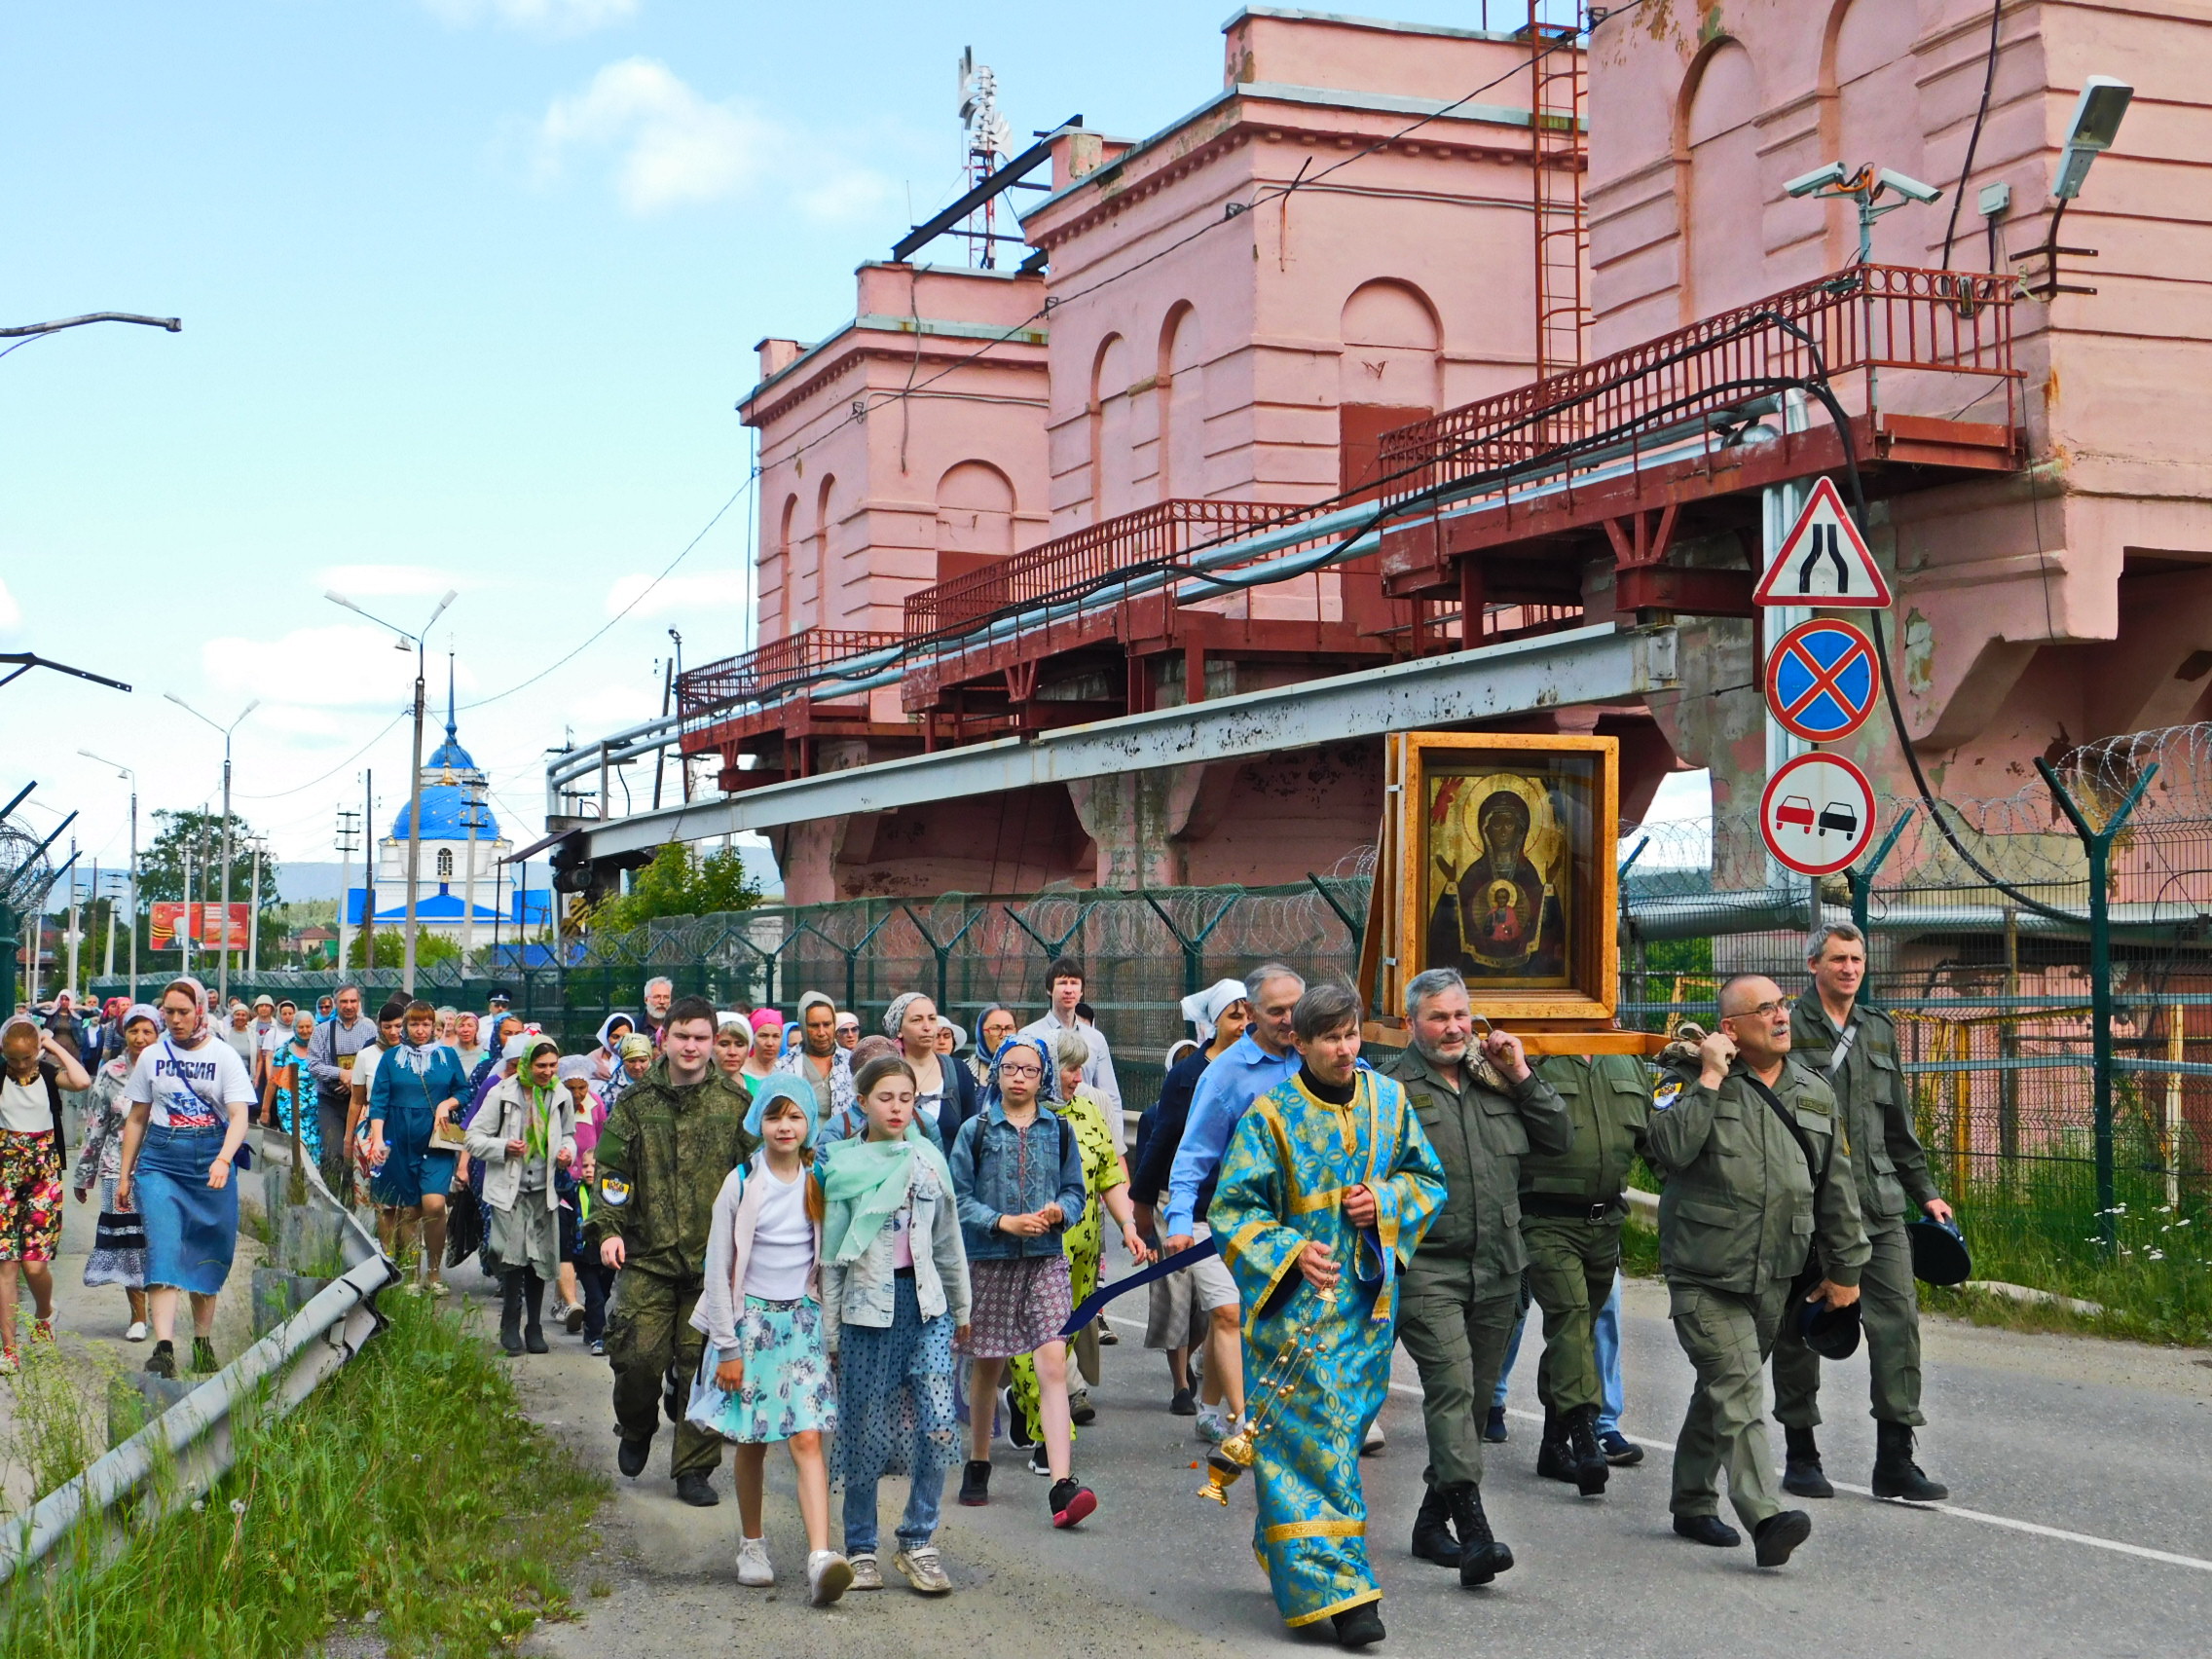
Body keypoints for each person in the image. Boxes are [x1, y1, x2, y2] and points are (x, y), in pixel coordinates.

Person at [1207, 982, 1446, 1649]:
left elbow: (1427, 1179)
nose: (1346, 1049)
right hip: (1292, 1324)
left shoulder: (1387, 1102)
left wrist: (1387, 1201)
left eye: (1352, 1034)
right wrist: (1290, 1251)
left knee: (1330, 1446)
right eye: (1330, 1038)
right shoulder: (1272, 1115)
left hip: (1365, 1319)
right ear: (1301, 1044)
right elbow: (1233, 1210)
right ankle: (1345, 1596)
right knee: (1320, 1455)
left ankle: (1286, 1547)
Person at [1648, 974, 1868, 1567]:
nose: (1780, 1016)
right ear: (1731, 1028)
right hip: (1704, 1274)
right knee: (1741, 1387)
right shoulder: (1685, 1079)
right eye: (1764, 1008)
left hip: (1776, 1278)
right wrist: (1714, 1077)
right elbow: (1667, 1151)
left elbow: (1834, 1190)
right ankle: (1765, 1516)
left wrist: (1846, 1271)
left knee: (1721, 1388)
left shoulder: (1814, 1092)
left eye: (1781, 1005)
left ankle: (1692, 1500)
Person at [1380, 967, 1570, 1585]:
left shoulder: (1496, 1078)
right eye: (1439, 1017)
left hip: (1499, 1268)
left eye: (1461, 1014)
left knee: (1474, 1397)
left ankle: (1431, 1523)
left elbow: (1557, 1138)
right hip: (1428, 1267)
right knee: (1453, 1391)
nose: (1454, 1027)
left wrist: (1520, 1073)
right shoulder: (1389, 1091)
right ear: (1412, 1024)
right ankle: (1475, 1529)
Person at [1775, 922, 1952, 1502]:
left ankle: (1895, 1460)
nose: (1849, 969)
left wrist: (1925, 1189)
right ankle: (1802, 1454)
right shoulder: (1784, 1026)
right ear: (1813, 965)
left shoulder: (1878, 1029)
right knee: (1803, 1328)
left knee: (1898, 1325)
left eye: (1857, 959)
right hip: (1807, 1205)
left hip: (1878, 1204)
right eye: (1837, 959)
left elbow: (1896, 1124)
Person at [589, 995, 759, 1505]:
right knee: (638, 1357)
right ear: (665, 1038)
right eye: (682, 1036)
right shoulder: (637, 1103)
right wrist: (609, 1228)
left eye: (701, 1038)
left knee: (700, 1363)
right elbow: (613, 1174)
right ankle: (636, 1425)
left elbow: (758, 1177)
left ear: (714, 1043)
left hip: (711, 1263)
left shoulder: (735, 1106)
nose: (691, 1046)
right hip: (648, 1256)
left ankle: (693, 1469)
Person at [692, 1072, 850, 1605]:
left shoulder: (819, 1177)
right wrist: (727, 1347)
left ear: (810, 1125)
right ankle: (752, 1545)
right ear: (758, 1122)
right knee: (754, 1440)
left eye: (796, 1116)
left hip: (801, 1324)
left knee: (807, 1437)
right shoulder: (740, 1181)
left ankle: (819, 1557)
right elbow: (718, 1269)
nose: (785, 1126)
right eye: (775, 1116)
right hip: (750, 1324)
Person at [820, 1055, 972, 1596]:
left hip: (926, 1307)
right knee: (864, 1430)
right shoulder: (843, 1166)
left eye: (905, 1098)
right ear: (862, 1103)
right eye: (885, 1098)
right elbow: (832, 1257)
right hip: (866, 1314)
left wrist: (962, 1310)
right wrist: (832, 1334)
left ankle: (918, 1541)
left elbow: (949, 1242)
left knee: (937, 1425)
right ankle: (860, 1548)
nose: (896, 1108)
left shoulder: (930, 1160)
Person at [949, 1034, 1093, 1525]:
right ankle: (979, 1461)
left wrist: (1060, 1211)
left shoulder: (1059, 1129)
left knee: (1052, 1361)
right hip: (989, 1257)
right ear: (995, 1073)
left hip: (1045, 1259)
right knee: (989, 1362)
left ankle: (1061, 1485)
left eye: (1029, 1071)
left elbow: (1076, 1190)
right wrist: (1002, 1222)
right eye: (1009, 1068)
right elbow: (958, 1197)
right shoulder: (976, 1130)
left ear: (1042, 1078)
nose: (1018, 1078)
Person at [1515, 1033, 1656, 1493]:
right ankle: (1584, 1433)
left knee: (1574, 1331)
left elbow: (1651, 1140)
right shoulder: (1533, 1050)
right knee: (1571, 1318)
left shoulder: (1625, 1058)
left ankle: (1552, 1446)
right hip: (1544, 1216)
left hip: (1605, 1222)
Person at [1003, 1030, 1146, 1452]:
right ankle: (1051, 1439)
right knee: (1036, 1341)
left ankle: (1030, 1407)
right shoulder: (1018, 1116)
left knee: (1061, 1338)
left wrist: (1129, 1226)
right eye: (1069, 1068)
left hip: (1083, 1250)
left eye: (1081, 1067)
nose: (1077, 1077)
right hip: (1033, 1252)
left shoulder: (1088, 1111)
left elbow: (1109, 1176)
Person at [116, 977, 257, 1379]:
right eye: (169, 1012)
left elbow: (239, 1115)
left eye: (183, 1012)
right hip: (161, 1160)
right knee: (163, 1248)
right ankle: (164, 1348)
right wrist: (126, 1175)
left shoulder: (223, 1055)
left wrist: (224, 1159)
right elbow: (138, 1117)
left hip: (211, 1158)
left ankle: (202, 1340)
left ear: (200, 1011)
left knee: (207, 1249)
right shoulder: (151, 1057)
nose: (175, 1020)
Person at [1132, 978, 1252, 1433]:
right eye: (1233, 1016)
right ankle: (1225, 1414)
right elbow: (1163, 1138)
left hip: (1250, 1211)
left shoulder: (1267, 1067)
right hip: (1197, 1209)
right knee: (1216, 1308)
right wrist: (1143, 1204)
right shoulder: (1188, 1074)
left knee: (1231, 1315)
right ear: (1213, 1023)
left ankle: (1209, 1402)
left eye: (1247, 1014)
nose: (1243, 1024)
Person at [466, 1034, 577, 1354]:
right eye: (540, 1065)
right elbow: (473, 1137)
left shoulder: (560, 1094)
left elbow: (569, 1134)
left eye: (553, 1065)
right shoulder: (502, 1092)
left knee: (540, 1260)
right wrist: (504, 1147)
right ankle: (510, 1323)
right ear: (526, 1063)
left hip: (544, 1190)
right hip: (509, 1190)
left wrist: (567, 1152)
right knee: (511, 1256)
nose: (547, 1071)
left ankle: (534, 1327)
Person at [0, 1015, 91, 1372]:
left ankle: (44, 1313)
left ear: (36, 1051)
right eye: (13, 1058)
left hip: (42, 1177)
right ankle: (8, 1350)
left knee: (34, 1265)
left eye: (27, 1057)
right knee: (6, 1265)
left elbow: (82, 1080)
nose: (21, 1065)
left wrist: (51, 1046)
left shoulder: (50, 1076)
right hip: (5, 1177)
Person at [367, 999, 472, 1293]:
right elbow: (379, 1101)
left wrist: (445, 1104)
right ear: (405, 1026)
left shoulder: (447, 1056)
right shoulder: (391, 1059)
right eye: (414, 1024)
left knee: (434, 1204)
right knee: (410, 1209)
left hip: (435, 1139)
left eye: (426, 1024)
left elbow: (463, 1091)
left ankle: (435, 1272)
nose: (421, 1030)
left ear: (436, 1026)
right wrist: (377, 1139)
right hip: (399, 1139)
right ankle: (412, 1275)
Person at [75, 1003, 158, 1341]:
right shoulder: (111, 1071)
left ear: (158, 1033)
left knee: (157, 1241)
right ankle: (138, 1316)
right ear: (123, 1032)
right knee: (128, 1243)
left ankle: (162, 1308)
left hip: (160, 1167)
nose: (139, 1038)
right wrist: (84, 1175)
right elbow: (96, 1125)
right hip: (115, 1167)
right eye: (133, 1030)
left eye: (147, 1031)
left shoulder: (170, 1068)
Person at [1018, 958, 1122, 1143]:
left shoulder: (1096, 1039)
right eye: (1062, 983)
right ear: (1049, 989)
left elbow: (1110, 1095)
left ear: (1081, 991)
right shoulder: (1029, 1036)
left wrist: (1115, 1142)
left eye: (1074, 983)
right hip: (1042, 1133)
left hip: (1089, 1133)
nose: (1068, 989)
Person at [884, 992, 978, 1147]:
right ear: (899, 1029)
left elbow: (970, 1136)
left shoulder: (957, 1070)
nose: (927, 1027)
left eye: (932, 1019)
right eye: (917, 1020)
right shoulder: (885, 1072)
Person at [306, 984, 375, 1187]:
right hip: (330, 1100)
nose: (349, 1006)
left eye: (353, 1001)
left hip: (361, 1101)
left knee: (358, 1153)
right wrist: (341, 1074)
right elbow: (313, 1066)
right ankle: (331, 1197)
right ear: (336, 1003)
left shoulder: (370, 1028)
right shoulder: (322, 1031)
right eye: (344, 1001)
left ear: (359, 1002)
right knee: (333, 1152)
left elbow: (376, 1061)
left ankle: (354, 1200)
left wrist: (354, 1082)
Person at [350, 999, 407, 1199]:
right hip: (369, 1128)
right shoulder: (366, 1055)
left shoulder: (416, 1055)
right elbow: (356, 1100)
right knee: (366, 1191)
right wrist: (348, 1138)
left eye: (399, 1026)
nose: (393, 1032)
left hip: (404, 1126)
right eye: (387, 1027)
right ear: (380, 1028)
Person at [776, 992, 854, 1130]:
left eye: (827, 1024)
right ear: (803, 1027)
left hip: (844, 1147)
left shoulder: (852, 1063)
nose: (822, 1032)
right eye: (814, 1025)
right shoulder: (784, 1068)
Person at [262, 1009, 323, 1167]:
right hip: (290, 1109)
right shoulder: (283, 1051)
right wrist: (265, 1110)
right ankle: (298, 1180)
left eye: (308, 1027)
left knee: (316, 1147)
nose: (305, 1031)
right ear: (295, 1028)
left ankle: (312, 1185)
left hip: (316, 1111)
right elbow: (272, 1082)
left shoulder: (321, 1049)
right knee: (300, 1145)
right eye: (301, 1027)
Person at [968, 1006, 1016, 1088]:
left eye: (1009, 1028)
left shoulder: (1029, 1071)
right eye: (995, 1028)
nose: (1004, 1035)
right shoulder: (961, 1072)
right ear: (980, 1033)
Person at [590, 1014, 638, 1085]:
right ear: (606, 1037)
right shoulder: (591, 1061)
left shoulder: (639, 1061)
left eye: (626, 1037)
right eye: (615, 1037)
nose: (620, 1042)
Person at [741, 1011, 783, 1088]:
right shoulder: (740, 1072)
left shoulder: (788, 1071)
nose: (770, 1043)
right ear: (752, 1037)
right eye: (763, 1036)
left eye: (775, 1036)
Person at [451, 1011, 487, 1078]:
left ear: (476, 1029)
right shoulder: (449, 1054)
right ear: (455, 1030)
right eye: (461, 1026)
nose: (465, 1030)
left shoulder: (485, 1053)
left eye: (470, 1026)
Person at [641, 977, 675, 1047]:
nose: (662, 1002)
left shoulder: (676, 1026)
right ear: (646, 1000)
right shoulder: (633, 1026)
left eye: (666, 997)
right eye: (657, 997)